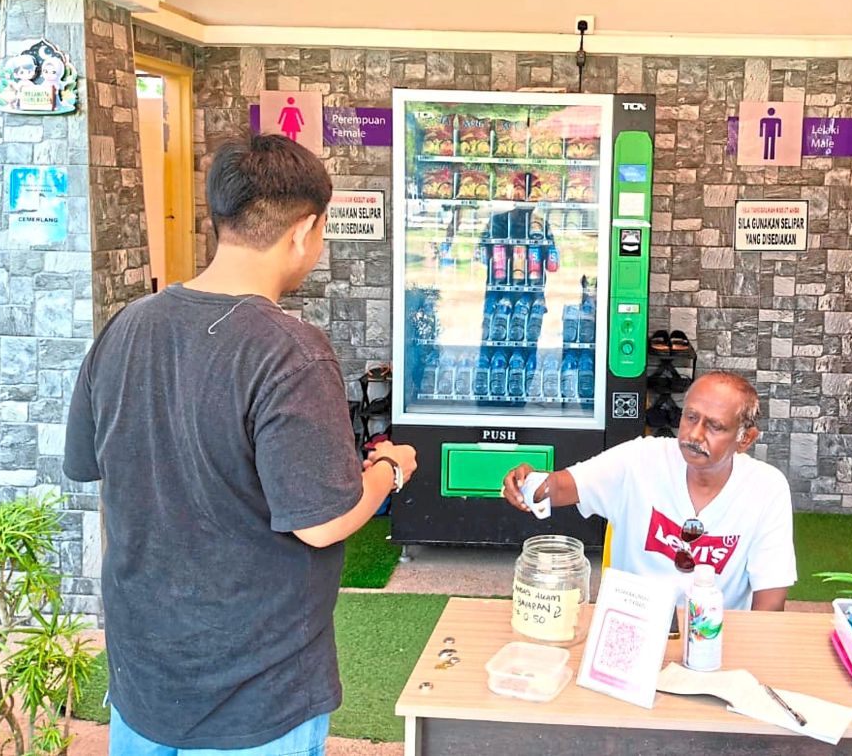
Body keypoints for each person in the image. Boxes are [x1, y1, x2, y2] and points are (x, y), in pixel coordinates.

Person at [64, 135, 417, 756]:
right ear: (305, 230)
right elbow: (323, 523)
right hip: (256, 694)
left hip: (142, 680)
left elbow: (91, 465)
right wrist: (389, 468)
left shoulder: (125, 327)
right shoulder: (291, 352)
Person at [502, 370, 795, 611]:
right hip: (630, 627)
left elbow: (770, 600)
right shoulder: (640, 459)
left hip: (714, 636)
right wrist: (529, 484)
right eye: (690, 417)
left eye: (715, 426)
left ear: (745, 439)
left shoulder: (767, 489)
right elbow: (562, 486)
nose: (694, 435)